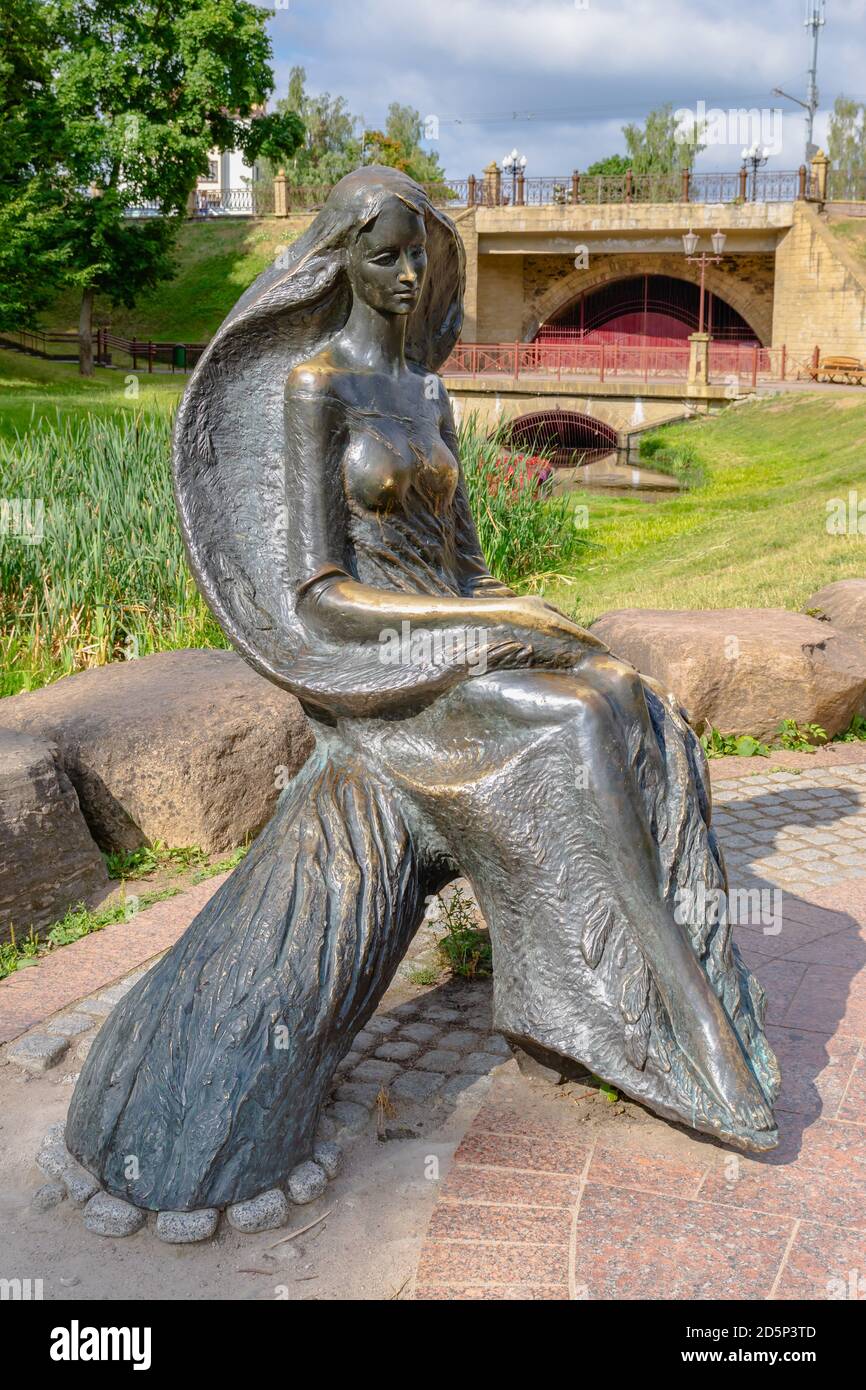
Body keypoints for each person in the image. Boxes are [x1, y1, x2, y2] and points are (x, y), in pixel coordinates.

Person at [66, 168, 778, 1217]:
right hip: (374, 672)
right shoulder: (316, 386)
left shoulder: (430, 392)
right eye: (384, 253)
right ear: (338, 257)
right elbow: (322, 596)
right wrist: (490, 631)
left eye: (419, 258)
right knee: (576, 722)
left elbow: (469, 566)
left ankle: (616, 1002)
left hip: (457, 643)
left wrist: (523, 614)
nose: (405, 276)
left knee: (628, 699)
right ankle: (683, 1027)